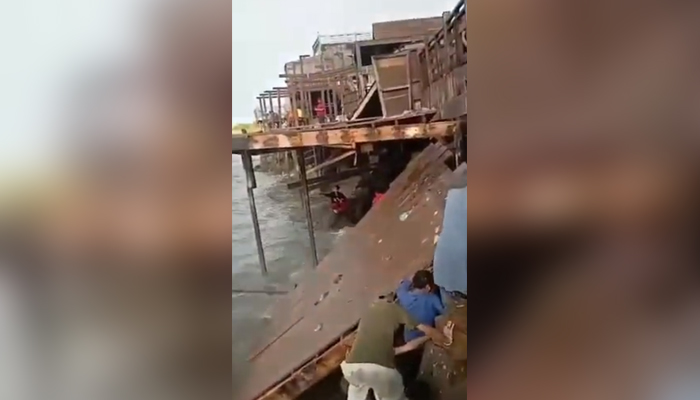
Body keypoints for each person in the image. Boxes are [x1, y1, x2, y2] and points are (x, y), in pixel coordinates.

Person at [341, 300, 450, 400]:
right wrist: (443, 337)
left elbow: (408, 347)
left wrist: (428, 337)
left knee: (356, 394)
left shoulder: (368, 319)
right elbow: (424, 329)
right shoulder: (395, 309)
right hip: (380, 372)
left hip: (351, 368)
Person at [394, 270, 445, 385]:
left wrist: (411, 278)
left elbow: (402, 284)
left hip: (408, 338)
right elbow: (444, 312)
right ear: (427, 287)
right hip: (425, 338)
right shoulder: (432, 299)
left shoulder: (404, 296)